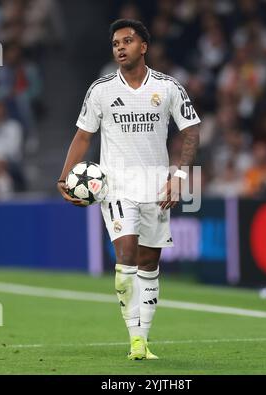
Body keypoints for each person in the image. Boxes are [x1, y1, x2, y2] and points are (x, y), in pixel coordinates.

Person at [57, 19, 200, 360]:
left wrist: (179, 178)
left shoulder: (168, 87)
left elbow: (191, 130)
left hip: (157, 188)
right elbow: (83, 136)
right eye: (115, 43)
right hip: (117, 187)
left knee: (149, 263)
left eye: (127, 41)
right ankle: (134, 336)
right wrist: (64, 179)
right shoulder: (101, 90)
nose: (120, 47)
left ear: (144, 47)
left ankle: (140, 340)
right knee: (126, 260)